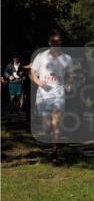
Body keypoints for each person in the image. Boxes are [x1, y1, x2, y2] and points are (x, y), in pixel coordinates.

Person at [30, 30, 73, 163]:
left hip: (58, 94)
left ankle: (54, 152)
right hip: (43, 95)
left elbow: (71, 75)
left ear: (61, 42)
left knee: (56, 124)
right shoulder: (41, 56)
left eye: (58, 41)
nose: (56, 43)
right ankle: (48, 135)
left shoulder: (67, 58)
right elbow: (32, 72)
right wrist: (38, 81)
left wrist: (69, 85)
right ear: (49, 42)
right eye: (53, 41)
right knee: (47, 127)